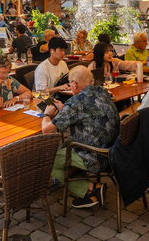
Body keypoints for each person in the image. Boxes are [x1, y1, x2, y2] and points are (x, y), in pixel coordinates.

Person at [41, 65, 120, 208]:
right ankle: (72, 177)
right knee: (63, 147)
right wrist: (65, 109)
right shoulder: (102, 92)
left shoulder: (77, 102)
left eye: (70, 84)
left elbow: (46, 129)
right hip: (113, 152)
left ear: (75, 84)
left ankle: (90, 189)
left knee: (46, 160)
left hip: (93, 157)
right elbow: (87, 111)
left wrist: (46, 114)